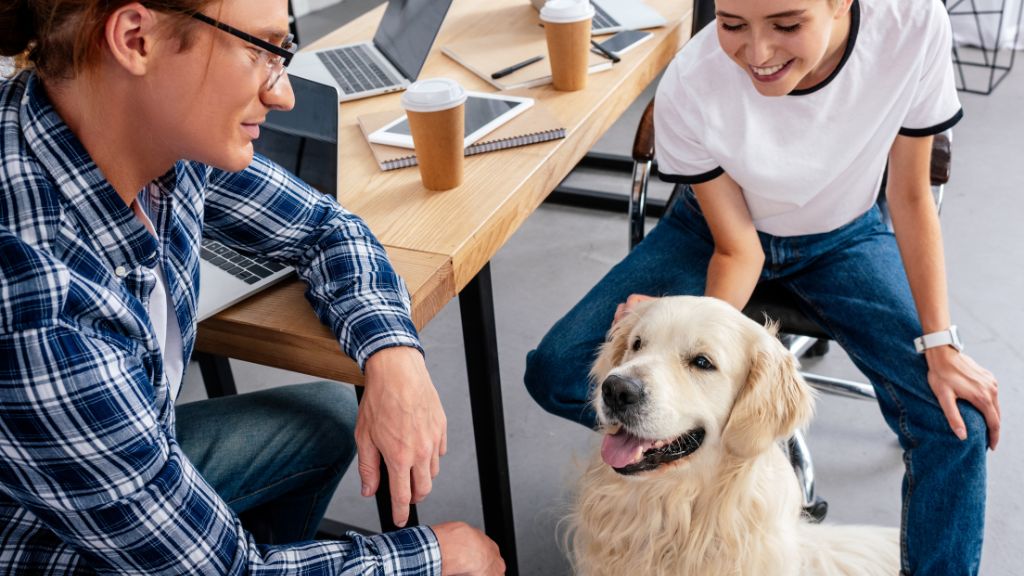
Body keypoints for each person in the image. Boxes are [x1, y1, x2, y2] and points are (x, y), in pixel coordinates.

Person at [0, 0, 504, 574]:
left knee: (327, 417)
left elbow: (324, 228)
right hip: (38, 545)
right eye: (259, 50)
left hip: (114, 475)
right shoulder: (39, 311)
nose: (284, 94)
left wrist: (394, 355)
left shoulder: (149, 135)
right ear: (136, 38)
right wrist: (432, 560)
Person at [524, 0, 1000, 574]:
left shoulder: (912, 26)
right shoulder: (694, 79)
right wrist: (680, 339)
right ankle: (688, 455)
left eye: (787, 24)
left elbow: (910, 195)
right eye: (731, 25)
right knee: (556, 368)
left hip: (843, 234)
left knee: (957, 422)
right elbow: (738, 246)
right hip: (714, 234)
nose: (757, 53)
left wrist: (940, 345)